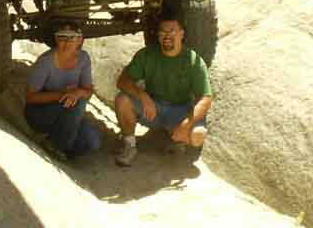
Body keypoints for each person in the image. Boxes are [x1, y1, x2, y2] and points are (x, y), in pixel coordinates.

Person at [114, 15, 213, 167]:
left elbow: (206, 98)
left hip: (180, 111)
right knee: (123, 100)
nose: (167, 36)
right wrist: (142, 95)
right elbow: (123, 81)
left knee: (198, 136)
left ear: (182, 34)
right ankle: (129, 145)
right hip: (153, 108)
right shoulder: (147, 54)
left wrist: (185, 125)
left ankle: (176, 138)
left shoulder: (194, 61)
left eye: (172, 31)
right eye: (162, 32)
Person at [24, 22, 101, 159]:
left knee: (93, 142)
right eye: (62, 38)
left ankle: (56, 143)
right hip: (40, 113)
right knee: (78, 103)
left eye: (71, 38)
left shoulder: (83, 59)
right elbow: (30, 97)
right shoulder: (46, 62)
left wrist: (78, 92)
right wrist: (64, 95)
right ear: (56, 40)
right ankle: (56, 145)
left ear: (80, 40)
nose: (66, 43)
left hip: (67, 111)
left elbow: (88, 90)